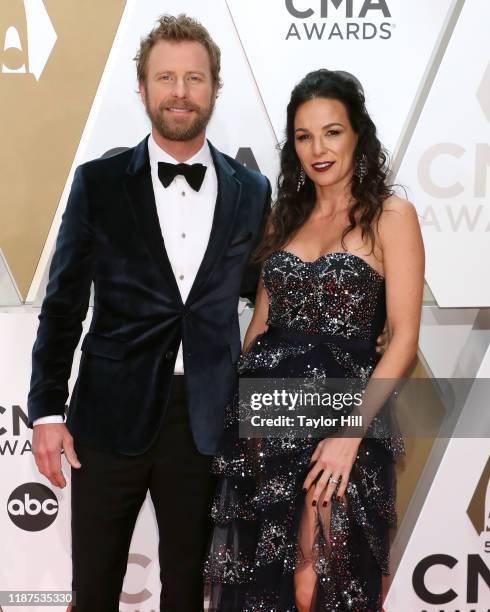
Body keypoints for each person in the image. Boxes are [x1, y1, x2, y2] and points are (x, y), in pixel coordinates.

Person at [27, 14, 271, 612]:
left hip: (206, 420)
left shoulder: (252, 189)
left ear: (215, 88)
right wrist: (45, 412)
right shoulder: (99, 183)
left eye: (194, 78)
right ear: (142, 88)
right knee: (94, 590)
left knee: (188, 591)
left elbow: (263, 295)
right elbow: (61, 307)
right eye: (166, 77)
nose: (180, 92)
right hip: (108, 417)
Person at [205, 69, 424, 611]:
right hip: (268, 418)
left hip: (341, 416)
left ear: (358, 136)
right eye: (303, 136)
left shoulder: (391, 217)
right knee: (264, 584)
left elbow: (403, 339)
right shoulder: (285, 218)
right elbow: (259, 327)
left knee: (318, 580)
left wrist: (350, 435)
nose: (317, 148)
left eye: (332, 132)